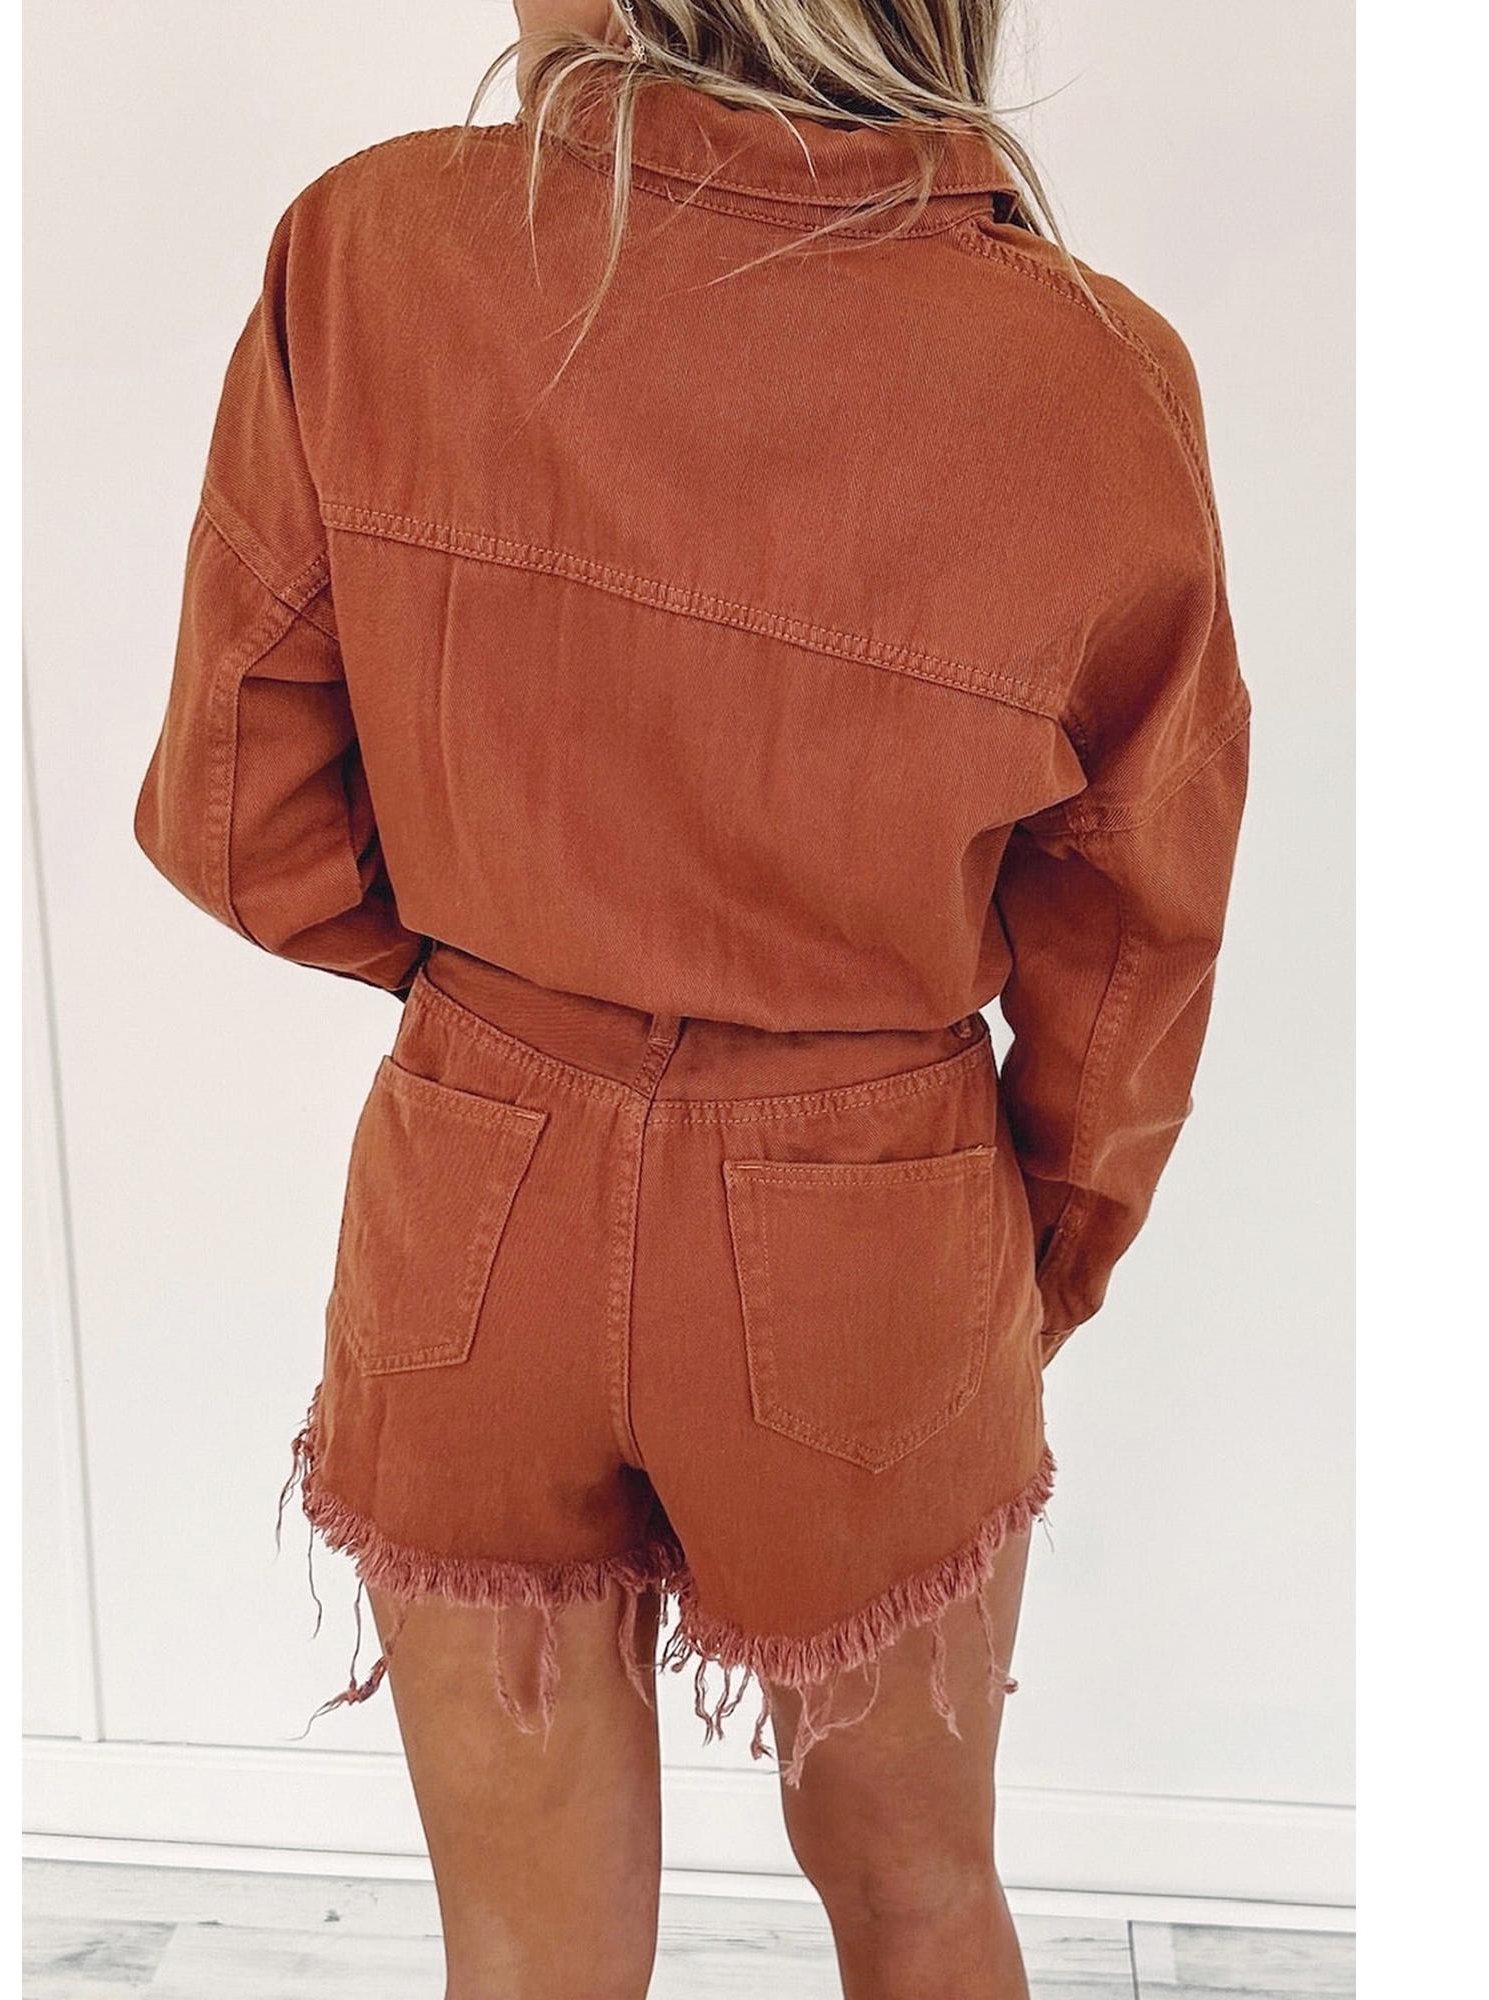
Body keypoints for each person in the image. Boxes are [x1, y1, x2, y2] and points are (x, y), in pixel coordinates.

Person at [135, 4, 1249, 1994]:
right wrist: (1026, 1265)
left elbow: (243, 819)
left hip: (475, 1181)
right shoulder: (1096, 379)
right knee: (920, 1897)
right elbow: (1133, 942)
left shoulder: (372, 250)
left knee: (525, 1955)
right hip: (871, 1226)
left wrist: (519, 976)